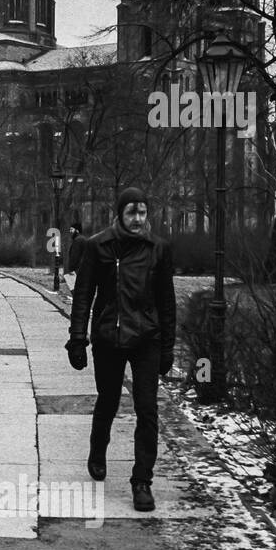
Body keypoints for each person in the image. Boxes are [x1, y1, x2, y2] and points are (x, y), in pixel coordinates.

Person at [64, 188, 175, 512]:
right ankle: (98, 451)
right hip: (108, 339)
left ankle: (142, 481)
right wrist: (77, 339)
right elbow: (83, 294)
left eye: (142, 212)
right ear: (120, 214)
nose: (138, 219)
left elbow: (167, 302)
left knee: (147, 408)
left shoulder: (159, 250)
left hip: (146, 339)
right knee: (109, 401)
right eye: (132, 213)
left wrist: (167, 347)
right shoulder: (99, 246)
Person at [62, 221, 86, 292]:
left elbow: (74, 256)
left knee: (74, 289)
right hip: (82, 269)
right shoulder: (83, 239)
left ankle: (76, 302)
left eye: (72, 229)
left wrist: (71, 268)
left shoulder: (78, 240)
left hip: (77, 270)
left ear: (77, 230)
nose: (70, 231)